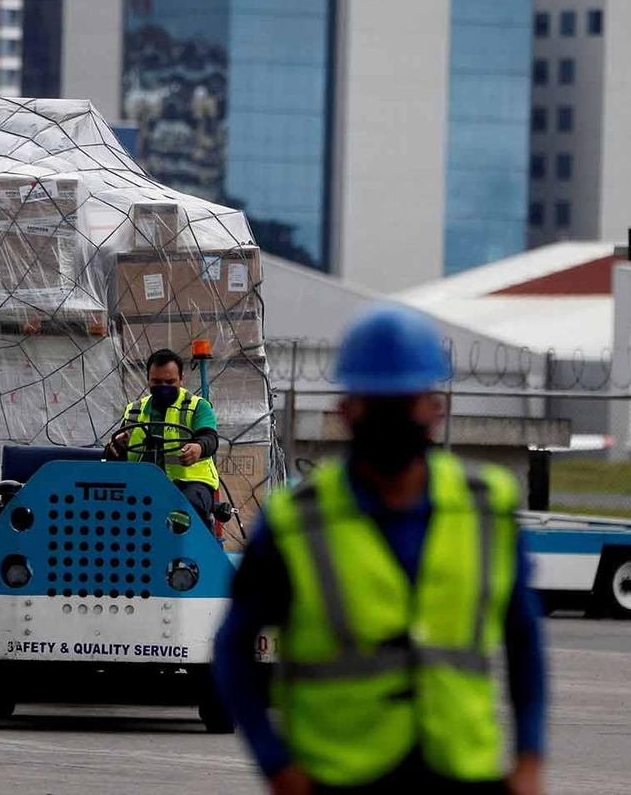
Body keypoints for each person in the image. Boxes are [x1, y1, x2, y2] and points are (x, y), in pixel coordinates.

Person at [212, 305, 548, 795]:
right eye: (378, 403)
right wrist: (276, 764)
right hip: (339, 774)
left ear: (436, 408)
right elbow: (233, 648)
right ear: (346, 411)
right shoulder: (297, 522)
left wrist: (530, 757)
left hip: (460, 768)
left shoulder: (487, 508)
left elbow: (524, 640)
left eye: (406, 402)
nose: (393, 417)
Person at [106, 348, 221, 524]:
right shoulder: (135, 410)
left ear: (182, 379)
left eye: (170, 381)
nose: (163, 387)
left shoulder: (197, 407)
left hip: (189, 483)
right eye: (157, 382)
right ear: (148, 380)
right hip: (141, 483)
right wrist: (116, 447)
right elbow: (117, 450)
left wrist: (199, 447)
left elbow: (209, 437)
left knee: (183, 510)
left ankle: (183, 548)